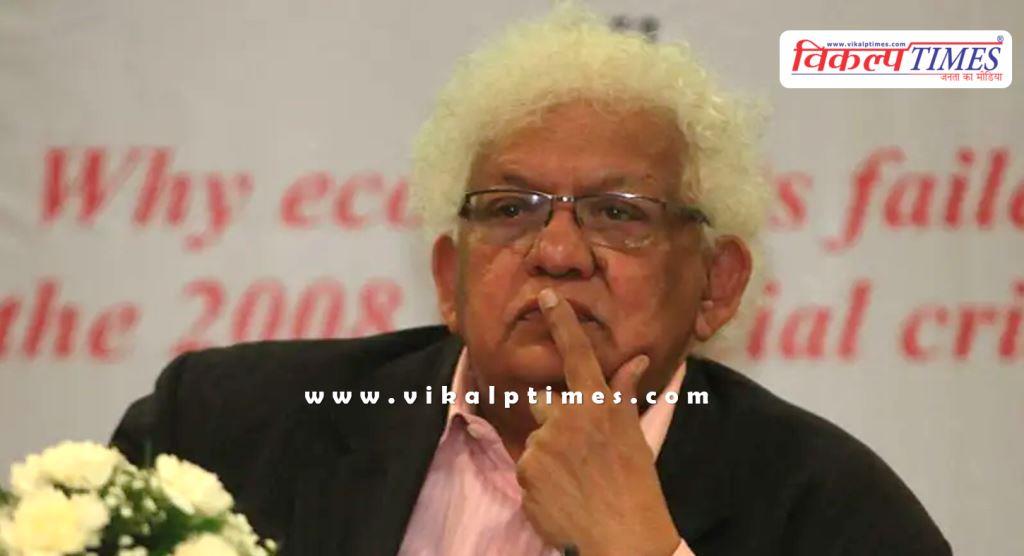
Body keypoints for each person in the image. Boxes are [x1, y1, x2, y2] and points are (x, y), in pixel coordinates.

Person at [111, 3, 951, 555]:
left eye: (617, 212)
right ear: (450, 277)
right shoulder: (224, 430)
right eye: (510, 209)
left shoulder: (838, 516)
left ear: (716, 285)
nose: (557, 253)